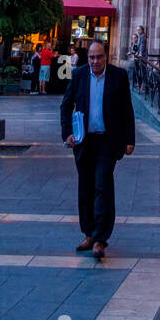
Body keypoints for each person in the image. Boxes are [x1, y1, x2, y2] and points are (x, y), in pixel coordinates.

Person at [60, 39, 135, 260]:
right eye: (92, 57)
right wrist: (67, 133)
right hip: (84, 141)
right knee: (86, 187)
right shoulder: (79, 75)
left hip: (107, 142)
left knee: (102, 185)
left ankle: (101, 238)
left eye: (99, 57)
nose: (95, 61)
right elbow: (66, 105)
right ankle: (89, 233)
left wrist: (129, 139)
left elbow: (126, 110)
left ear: (106, 57)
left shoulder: (118, 76)